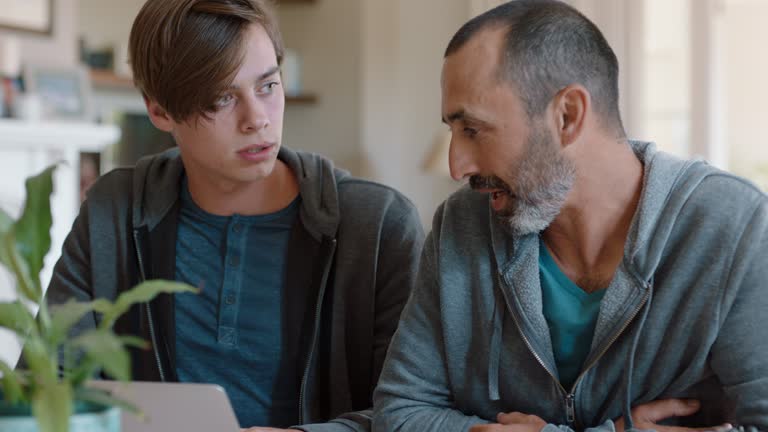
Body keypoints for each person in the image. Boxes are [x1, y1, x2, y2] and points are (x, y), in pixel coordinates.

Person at [372, 1, 768, 431]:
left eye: (473, 130)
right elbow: (399, 412)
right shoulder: (460, 225)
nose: (456, 166)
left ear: (568, 115)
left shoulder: (734, 228)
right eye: (452, 132)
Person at [46, 1, 424, 431]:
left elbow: (417, 412)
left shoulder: (378, 225)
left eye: (267, 86)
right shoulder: (112, 211)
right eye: (222, 98)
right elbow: (47, 384)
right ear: (159, 110)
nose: (257, 119)